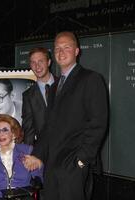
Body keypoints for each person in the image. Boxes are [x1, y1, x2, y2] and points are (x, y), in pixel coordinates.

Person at [24, 31, 108, 200]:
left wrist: (81, 160)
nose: (61, 52)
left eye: (66, 47)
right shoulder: (55, 87)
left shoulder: (91, 79)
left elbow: (98, 123)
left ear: (77, 51)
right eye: (57, 48)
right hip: (52, 163)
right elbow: (49, 126)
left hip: (73, 164)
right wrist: (37, 154)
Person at [0, 114, 43, 199]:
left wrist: (39, 166)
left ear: (14, 134)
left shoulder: (27, 151)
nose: (0, 134)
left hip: (22, 196)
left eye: (5, 130)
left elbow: (38, 175)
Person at [22, 47, 57, 145]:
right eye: (33, 62)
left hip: (69, 150)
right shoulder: (28, 96)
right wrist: (28, 154)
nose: (37, 66)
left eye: (40, 61)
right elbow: (28, 130)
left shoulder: (65, 85)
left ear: (49, 62)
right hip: (44, 152)